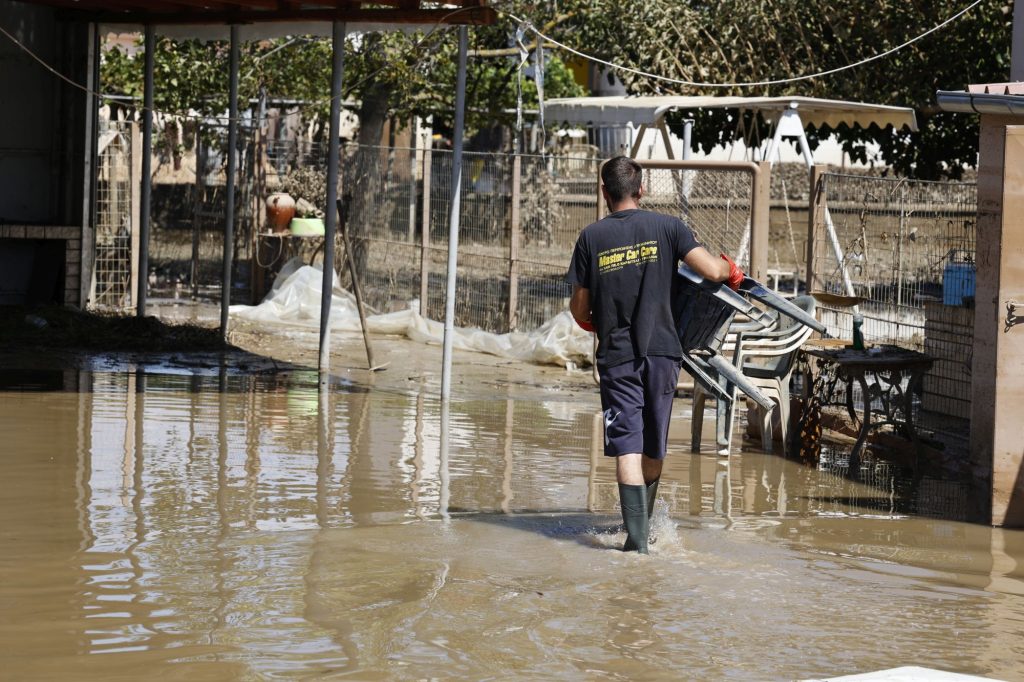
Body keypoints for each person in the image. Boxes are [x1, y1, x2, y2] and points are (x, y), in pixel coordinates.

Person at [566, 156, 743, 554]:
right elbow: (712, 271)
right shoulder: (668, 227)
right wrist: (731, 269)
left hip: (618, 357)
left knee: (626, 447)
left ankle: (636, 543)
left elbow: (580, 309)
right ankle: (642, 535)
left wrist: (593, 320)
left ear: (604, 192)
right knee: (652, 446)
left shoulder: (590, 238)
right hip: (664, 353)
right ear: (641, 189)